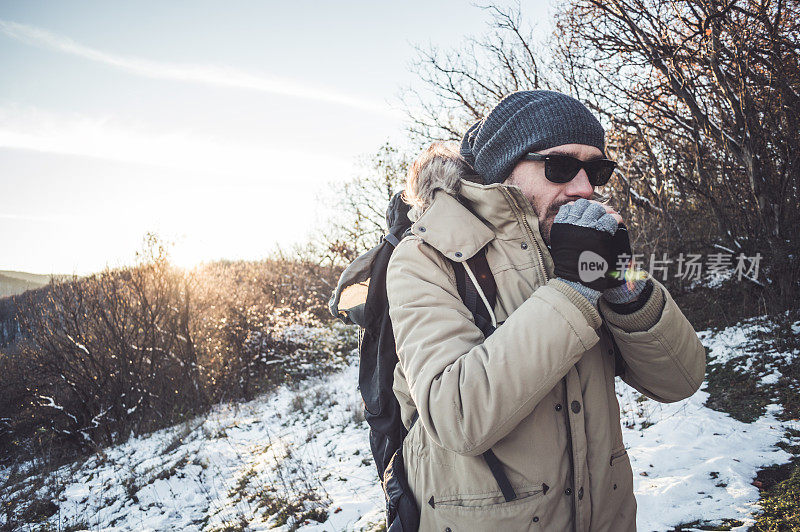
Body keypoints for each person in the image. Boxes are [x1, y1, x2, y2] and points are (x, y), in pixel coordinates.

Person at [386, 90, 707, 531]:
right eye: (559, 167)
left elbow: (681, 379)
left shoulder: (576, 244)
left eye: (597, 170)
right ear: (505, 168)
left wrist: (624, 283)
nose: (584, 188)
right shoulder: (425, 255)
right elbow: (457, 415)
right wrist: (575, 288)